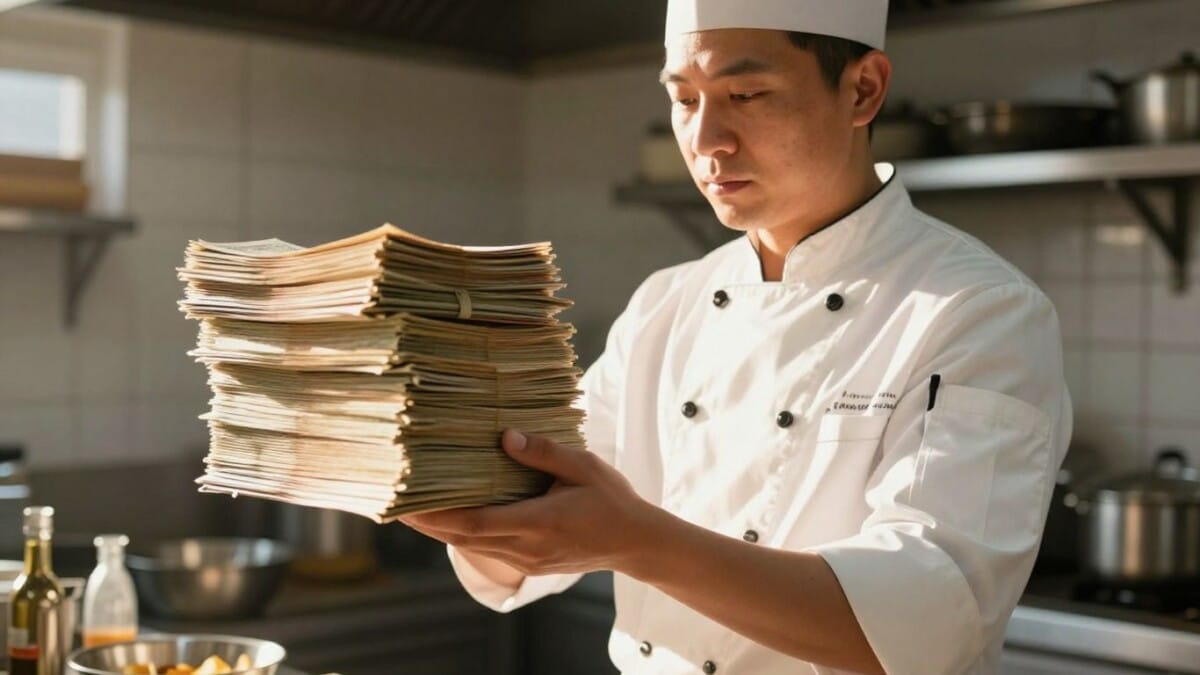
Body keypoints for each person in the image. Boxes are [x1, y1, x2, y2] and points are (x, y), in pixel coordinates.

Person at [400, 1, 1073, 673]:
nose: (706, 138)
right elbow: (538, 523)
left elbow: (923, 626)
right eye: (684, 98)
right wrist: (428, 482)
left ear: (863, 90)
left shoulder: (982, 310)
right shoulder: (665, 303)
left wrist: (637, 541)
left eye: (746, 94)